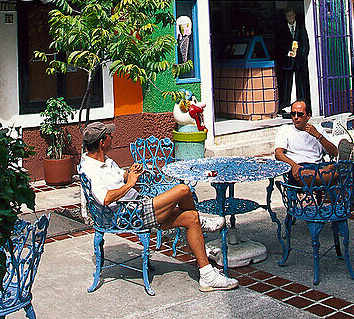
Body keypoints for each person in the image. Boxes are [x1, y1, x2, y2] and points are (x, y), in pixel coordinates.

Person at [78, 122, 237, 292]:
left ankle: (207, 276)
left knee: (192, 218)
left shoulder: (106, 161)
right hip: (128, 214)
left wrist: (131, 173)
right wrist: (130, 184)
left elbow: (121, 177)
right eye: (110, 136)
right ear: (102, 142)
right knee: (183, 190)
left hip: (137, 204)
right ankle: (203, 231)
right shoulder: (90, 169)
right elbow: (105, 198)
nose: (113, 138)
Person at [274, 100, 339, 184]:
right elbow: (278, 153)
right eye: (293, 114)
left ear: (308, 116)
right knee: (305, 175)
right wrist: (294, 165)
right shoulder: (285, 129)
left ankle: (324, 175)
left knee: (317, 175)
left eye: (300, 114)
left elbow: (334, 152)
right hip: (298, 167)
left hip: (317, 165)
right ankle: (326, 175)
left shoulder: (318, 129)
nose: (296, 117)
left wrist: (318, 136)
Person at [274, 5, 310, 114]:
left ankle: (304, 105)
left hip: (299, 63)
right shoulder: (282, 29)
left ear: (294, 15)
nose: (289, 17)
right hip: (288, 63)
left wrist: (302, 56)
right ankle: (287, 106)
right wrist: (288, 53)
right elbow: (279, 46)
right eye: (287, 16)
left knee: (301, 84)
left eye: (291, 15)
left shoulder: (301, 27)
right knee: (287, 85)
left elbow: (305, 44)